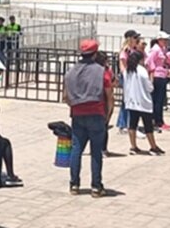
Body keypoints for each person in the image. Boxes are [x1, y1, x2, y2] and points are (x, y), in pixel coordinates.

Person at [64, 38, 114, 196]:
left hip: (77, 114)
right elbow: (109, 96)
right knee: (96, 151)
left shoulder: (70, 71)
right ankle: (96, 186)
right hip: (97, 113)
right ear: (94, 54)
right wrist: (108, 115)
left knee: (76, 149)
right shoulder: (102, 71)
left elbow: (65, 96)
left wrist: (76, 105)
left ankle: (74, 185)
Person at [123, 50, 163, 155]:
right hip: (143, 101)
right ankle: (153, 146)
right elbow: (149, 88)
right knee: (148, 125)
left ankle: (133, 146)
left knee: (132, 124)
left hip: (131, 101)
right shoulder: (142, 71)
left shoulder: (127, 70)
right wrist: (151, 80)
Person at [146, 32, 170, 129]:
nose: (166, 41)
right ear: (159, 40)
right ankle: (157, 121)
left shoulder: (162, 49)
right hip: (157, 76)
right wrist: (153, 70)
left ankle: (158, 120)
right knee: (157, 100)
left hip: (162, 75)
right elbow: (148, 60)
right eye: (164, 40)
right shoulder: (155, 49)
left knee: (160, 99)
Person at [116, 30, 141, 133]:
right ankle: (123, 124)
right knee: (126, 101)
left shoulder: (134, 50)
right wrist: (126, 76)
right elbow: (122, 65)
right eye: (135, 38)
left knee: (131, 100)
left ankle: (128, 123)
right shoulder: (126, 51)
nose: (137, 40)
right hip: (127, 76)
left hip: (133, 76)